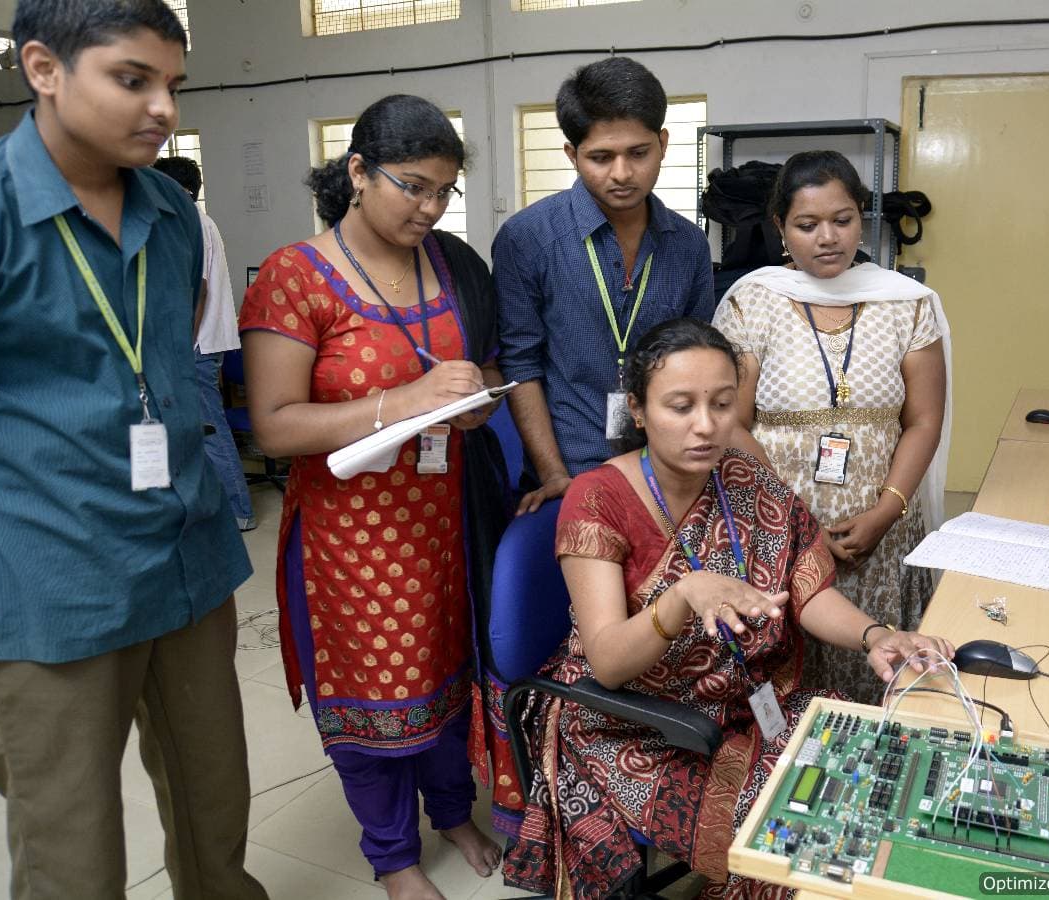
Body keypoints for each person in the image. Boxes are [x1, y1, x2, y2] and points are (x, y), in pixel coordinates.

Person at [0, 2, 267, 898]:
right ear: (42, 68)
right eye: (131, 80)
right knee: (75, 855)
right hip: (49, 587)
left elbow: (166, 365)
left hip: (185, 560)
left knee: (216, 815)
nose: (162, 109)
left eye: (171, 84)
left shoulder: (171, 210)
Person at [502, 318, 954, 899]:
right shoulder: (598, 499)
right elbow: (609, 662)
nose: (706, 425)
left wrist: (874, 635)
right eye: (680, 406)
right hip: (633, 721)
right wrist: (686, 594)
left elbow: (806, 592)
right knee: (796, 844)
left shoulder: (742, 476)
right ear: (637, 410)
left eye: (721, 404)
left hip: (748, 699)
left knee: (872, 780)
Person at [239, 93, 505, 900]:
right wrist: (406, 401)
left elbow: (479, 368)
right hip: (351, 541)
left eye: (443, 192)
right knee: (371, 698)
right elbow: (275, 427)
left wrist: (475, 395)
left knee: (447, 673)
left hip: (446, 520)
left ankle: (452, 808)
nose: (429, 208)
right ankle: (391, 852)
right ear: (357, 172)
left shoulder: (453, 264)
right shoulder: (296, 275)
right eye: (412, 186)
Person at [712, 151, 952, 704]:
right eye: (807, 224)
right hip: (776, 526)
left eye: (842, 220)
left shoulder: (906, 304)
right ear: (780, 228)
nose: (827, 238)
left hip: (880, 535)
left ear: (862, 218)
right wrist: (795, 521)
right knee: (786, 685)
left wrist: (886, 511)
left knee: (881, 677)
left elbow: (923, 419)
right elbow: (733, 423)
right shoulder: (752, 302)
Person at [494, 56, 716, 515]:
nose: (621, 173)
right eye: (600, 157)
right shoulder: (528, 239)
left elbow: (698, 365)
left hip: (666, 474)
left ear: (663, 143)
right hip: (569, 474)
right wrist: (553, 472)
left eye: (638, 153)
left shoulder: (689, 244)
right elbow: (521, 362)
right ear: (572, 155)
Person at [153, 153, 257, 531]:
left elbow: (197, 289)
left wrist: (179, 349)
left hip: (193, 346)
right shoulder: (198, 220)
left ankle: (239, 511)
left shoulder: (187, 221)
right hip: (200, 342)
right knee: (202, 429)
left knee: (209, 429)